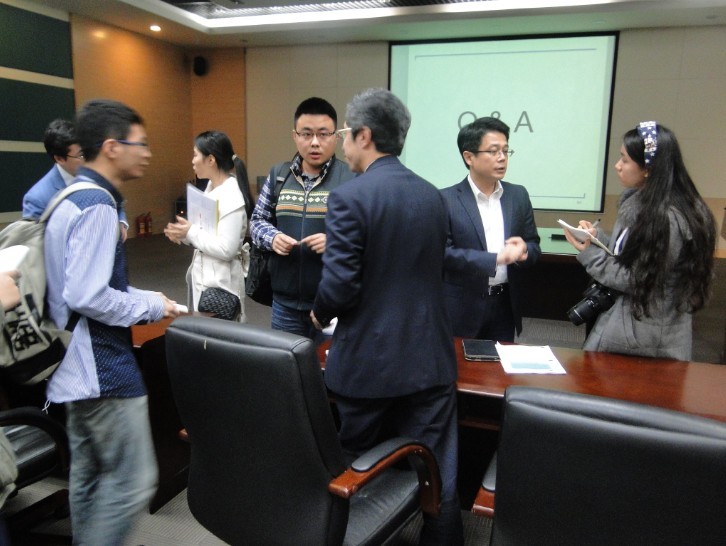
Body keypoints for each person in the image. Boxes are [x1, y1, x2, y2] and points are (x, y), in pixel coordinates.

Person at [311, 88, 464, 545]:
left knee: (358, 467)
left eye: (344, 134)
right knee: (438, 470)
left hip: (368, 366)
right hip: (429, 360)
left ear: (364, 135)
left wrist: (318, 313)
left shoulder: (348, 198)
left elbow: (340, 287)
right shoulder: (432, 195)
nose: (342, 144)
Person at [44, 99, 180, 545]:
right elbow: (88, 296)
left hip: (69, 366)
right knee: (132, 482)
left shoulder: (68, 197)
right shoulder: (98, 205)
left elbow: (84, 285)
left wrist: (151, 299)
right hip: (102, 369)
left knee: (88, 479)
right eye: (140, 144)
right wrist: (149, 309)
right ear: (111, 147)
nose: (148, 154)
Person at [563, 121, 716, 360]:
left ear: (647, 168)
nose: (617, 166)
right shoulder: (648, 204)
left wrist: (590, 254)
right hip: (636, 328)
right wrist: (597, 239)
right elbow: (632, 253)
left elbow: (637, 278)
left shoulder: (666, 218)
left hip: (645, 341)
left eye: (625, 160)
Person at [249, 97, 353, 340]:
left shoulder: (352, 178)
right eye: (306, 134)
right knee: (286, 362)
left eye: (323, 134)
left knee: (328, 363)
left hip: (333, 304)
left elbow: (368, 234)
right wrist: (272, 238)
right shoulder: (279, 175)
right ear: (295, 136)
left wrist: (335, 242)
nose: (315, 142)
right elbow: (257, 221)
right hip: (284, 304)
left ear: (336, 137)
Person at [441, 117, 540, 342]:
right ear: (469, 157)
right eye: (494, 151)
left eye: (506, 150)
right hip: (461, 308)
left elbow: (534, 245)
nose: (502, 157)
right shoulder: (445, 199)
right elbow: (442, 255)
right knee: (459, 363)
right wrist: (495, 259)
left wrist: (525, 251)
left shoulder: (518, 195)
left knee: (500, 363)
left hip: (504, 305)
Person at [164, 131, 252, 322]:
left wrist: (191, 231)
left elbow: (226, 249)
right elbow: (204, 234)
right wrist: (184, 235)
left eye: (195, 155)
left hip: (221, 284)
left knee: (220, 335)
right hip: (206, 279)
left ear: (210, 159)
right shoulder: (211, 189)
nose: (192, 161)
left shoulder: (230, 196)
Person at [22, 118, 129, 240]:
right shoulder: (37, 198)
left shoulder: (95, 172)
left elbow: (115, 201)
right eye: (81, 155)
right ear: (59, 159)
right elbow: (35, 243)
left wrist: (121, 221)